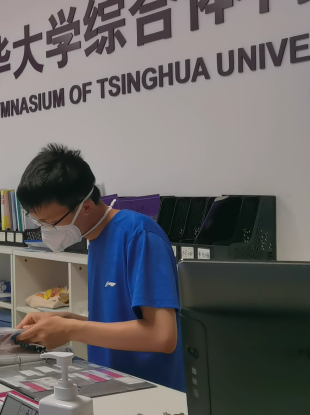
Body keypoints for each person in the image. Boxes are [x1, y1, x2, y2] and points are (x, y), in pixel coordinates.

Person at [14, 144, 185, 392]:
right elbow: (118, 323)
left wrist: (70, 328)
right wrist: (64, 320)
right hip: (110, 383)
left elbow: (162, 336)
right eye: (39, 222)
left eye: (51, 223)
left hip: (151, 392)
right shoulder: (95, 238)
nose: (46, 231)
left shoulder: (138, 235)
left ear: (85, 207)